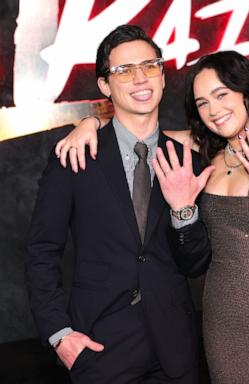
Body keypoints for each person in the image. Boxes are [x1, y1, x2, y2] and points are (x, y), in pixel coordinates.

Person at [56, 51, 249, 383]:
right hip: (225, 329)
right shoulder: (206, 153)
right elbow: (134, 130)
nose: (214, 111)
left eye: (222, 95)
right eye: (203, 103)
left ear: (247, 92)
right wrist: (89, 123)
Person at [26, 24, 214, 384]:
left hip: (175, 351)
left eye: (149, 66)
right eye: (124, 70)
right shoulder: (75, 153)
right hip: (98, 348)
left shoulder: (189, 161)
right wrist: (58, 334)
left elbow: (195, 264)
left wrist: (183, 212)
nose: (139, 78)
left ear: (162, 75)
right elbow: (42, 250)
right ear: (104, 85)